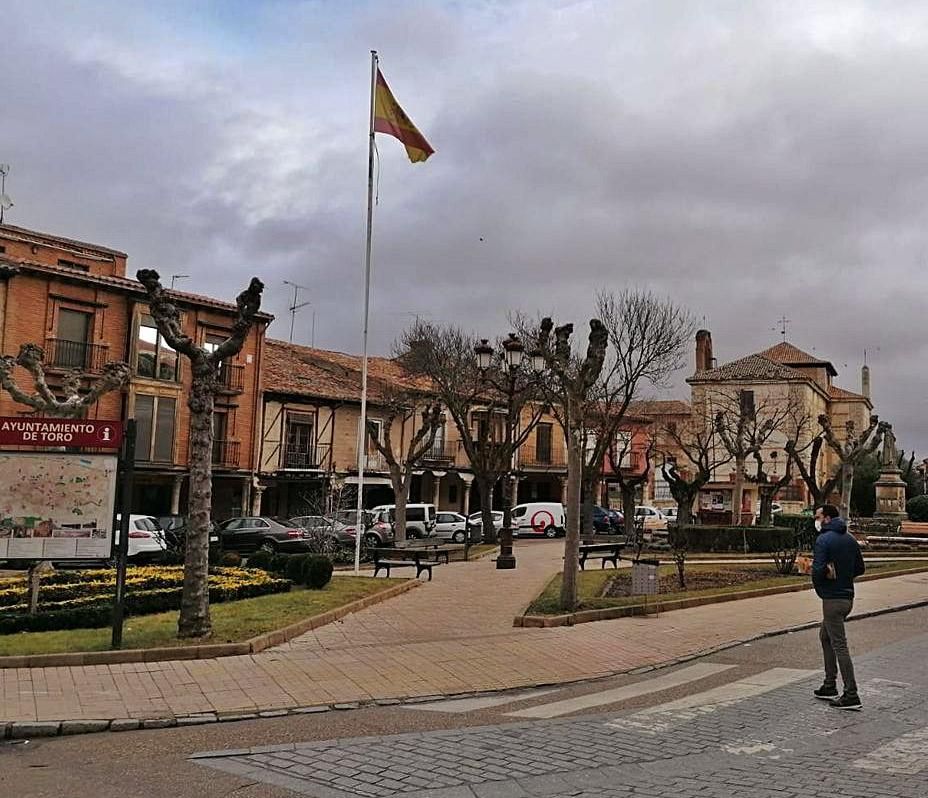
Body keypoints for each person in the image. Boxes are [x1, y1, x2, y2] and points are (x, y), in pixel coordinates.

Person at [811, 504, 865, 710]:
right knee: (825, 636)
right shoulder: (850, 538)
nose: (815, 520)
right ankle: (829, 684)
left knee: (839, 645)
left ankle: (851, 694)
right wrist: (844, 577)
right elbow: (860, 567)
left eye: (817, 516)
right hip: (847, 598)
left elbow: (817, 570)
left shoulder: (823, 539)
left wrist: (821, 585)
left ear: (826, 518)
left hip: (832, 600)